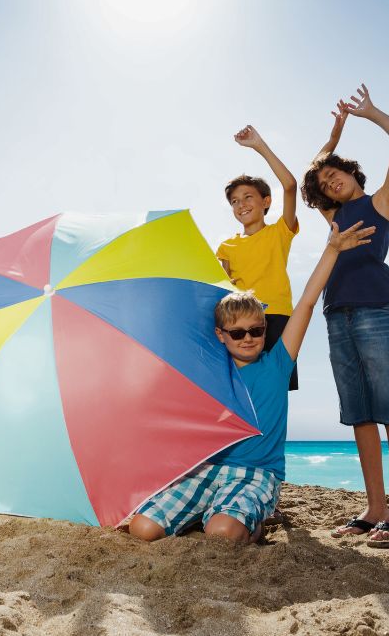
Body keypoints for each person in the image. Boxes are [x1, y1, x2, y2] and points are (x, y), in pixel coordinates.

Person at [129, 219, 375, 544]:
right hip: (206, 470)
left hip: (256, 474)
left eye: (256, 330)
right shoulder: (211, 370)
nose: (248, 338)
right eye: (237, 332)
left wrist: (331, 249)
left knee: (221, 534)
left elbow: (306, 303)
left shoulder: (277, 364)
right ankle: (204, 516)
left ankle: (254, 523)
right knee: (143, 529)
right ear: (221, 335)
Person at [301, 83, 389, 548]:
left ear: (354, 175)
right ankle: (375, 508)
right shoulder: (331, 217)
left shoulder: (379, 203)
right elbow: (314, 167)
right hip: (337, 315)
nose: (332, 181)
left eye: (338, 174)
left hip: (377, 312)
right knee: (360, 416)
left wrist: (368, 113)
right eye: (326, 180)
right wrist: (334, 131)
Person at [216, 125, 301, 391]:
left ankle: (274, 435)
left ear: (265, 201)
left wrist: (259, 145)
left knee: (275, 390)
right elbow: (223, 288)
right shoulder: (226, 246)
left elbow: (290, 185)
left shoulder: (279, 232)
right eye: (234, 201)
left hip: (275, 317)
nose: (241, 204)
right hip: (241, 324)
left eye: (247, 197)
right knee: (244, 390)